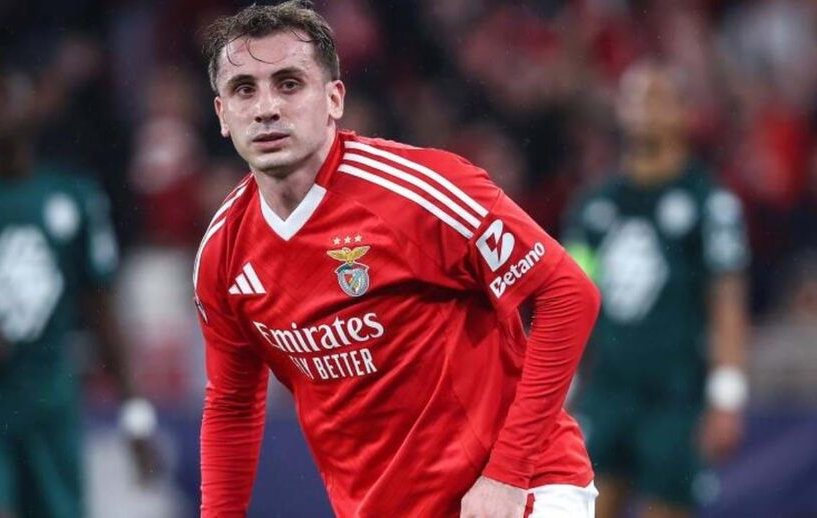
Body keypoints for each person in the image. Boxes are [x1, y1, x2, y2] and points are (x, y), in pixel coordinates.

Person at [193, 2, 601, 517]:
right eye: (244, 89)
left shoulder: (421, 191)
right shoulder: (223, 253)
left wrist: (507, 474)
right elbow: (232, 405)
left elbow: (569, 293)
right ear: (222, 115)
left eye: (289, 84)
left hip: (519, 490)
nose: (266, 108)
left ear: (334, 98)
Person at [0, 66, 159, 518]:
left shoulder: (75, 196)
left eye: (2, 97)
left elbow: (102, 312)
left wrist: (135, 415)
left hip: (51, 402)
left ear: (32, 107)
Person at [564, 62, 750, 518]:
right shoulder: (594, 205)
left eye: (656, 98)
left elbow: (727, 302)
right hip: (607, 391)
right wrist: (559, 391)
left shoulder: (710, 203)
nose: (642, 109)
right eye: (633, 98)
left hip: (676, 396)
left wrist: (727, 396)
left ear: (683, 113)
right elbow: (570, 300)